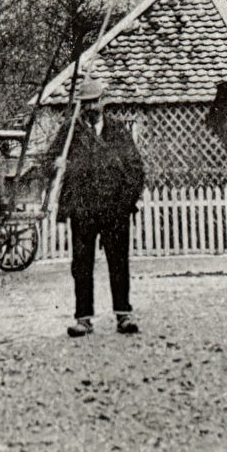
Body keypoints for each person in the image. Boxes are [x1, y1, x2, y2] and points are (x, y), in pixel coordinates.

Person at [57, 77, 146, 338]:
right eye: (85, 103)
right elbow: (51, 160)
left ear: (102, 102)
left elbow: (136, 168)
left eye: (94, 102)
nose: (90, 108)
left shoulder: (118, 131)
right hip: (83, 210)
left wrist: (125, 202)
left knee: (118, 262)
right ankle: (83, 319)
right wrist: (56, 163)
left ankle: (123, 315)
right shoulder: (70, 133)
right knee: (81, 265)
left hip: (114, 209)